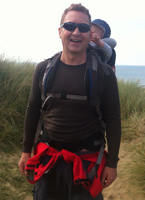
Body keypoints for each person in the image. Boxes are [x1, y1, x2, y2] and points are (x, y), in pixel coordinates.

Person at [18, 3, 121, 200]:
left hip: (86, 164)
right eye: (69, 26)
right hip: (48, 160)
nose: (76, 32)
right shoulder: (43, 70)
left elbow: (113, 119)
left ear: (89, 34)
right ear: (60, 31)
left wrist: (112, 164)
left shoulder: (105, 74)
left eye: (83, 28)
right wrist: (25, 151)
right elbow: (33, 111)